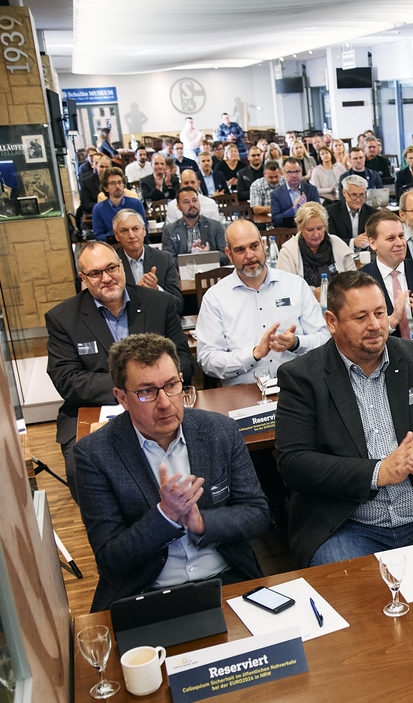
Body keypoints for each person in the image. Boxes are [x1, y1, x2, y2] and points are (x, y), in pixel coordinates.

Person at [274, 269, 413, 567]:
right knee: (353, 605)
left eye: (380, 313)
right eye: (361, 317)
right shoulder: (302, 376)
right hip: (347, 527)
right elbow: (294, 464)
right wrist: (377, 473)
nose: (375, 326)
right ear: (332, 322)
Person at [74, 333, 267, 612]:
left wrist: (202, 524)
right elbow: (110, 557)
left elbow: (257, 514)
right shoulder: (95, 454)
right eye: (147, 392)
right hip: (147, 592)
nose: (165, 402)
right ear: (122, 398)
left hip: (228, 580)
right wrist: (166, 515)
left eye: (171, 386)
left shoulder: (220, 431)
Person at [45, 242, 194, 500]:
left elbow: (184, 360)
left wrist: (149, 390)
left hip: (160, 402)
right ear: (83, 279)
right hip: (93, 411)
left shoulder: (159, 304)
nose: (106, 278)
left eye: (111, 268)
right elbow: (67, 380)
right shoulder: (63, 318)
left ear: (122, 266)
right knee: (83, 475)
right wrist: (131, 391)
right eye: (95, 273)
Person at [197, 220, 329, 387]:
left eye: (254, 246)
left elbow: (324, 338)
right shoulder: (215, 298)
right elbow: (208, 360)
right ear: (229, 254)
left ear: (263, 245)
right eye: (240, 250)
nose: (250, 255)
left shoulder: (295, 285)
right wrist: (253, 354)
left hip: (297, 388)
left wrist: (296, 343)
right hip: (243, 394)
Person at [359, 210, 413, 351]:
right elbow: (360, 336)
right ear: (373, 243)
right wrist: (392, 321)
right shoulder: (362, 281)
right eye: (391, 238)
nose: (400, 243)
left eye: (401, 236)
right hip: (386, 355)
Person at [276, 202, 356, 297]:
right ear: (300, 228)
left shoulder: (338, 244)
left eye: (320, 228)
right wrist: (313, 293)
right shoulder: (288, 252)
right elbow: (285, 287)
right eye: (310, 230)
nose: (316, 234)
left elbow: (354, 279)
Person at [113, 209, 181, 296]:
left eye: (135, 229)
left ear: (144, 230)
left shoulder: (164, 259)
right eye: (124, 230)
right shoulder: (112, 263)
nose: (131, 235)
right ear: (116, 235)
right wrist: (136, 292)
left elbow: (177, 303)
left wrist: (156, 289)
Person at [161, 187, 228, 264]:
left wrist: (207, 255)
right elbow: (168, 261)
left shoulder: (215, 226)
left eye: (194, 200)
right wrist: (192, 257)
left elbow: (226, 255)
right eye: (186, 202)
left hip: (212, 272)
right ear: (178, 206)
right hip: (183, 274)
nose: (192, 204)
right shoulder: (169, 230)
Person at [91, 167, 145, 242]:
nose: (117, 186)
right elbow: (99, 237)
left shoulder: (136, 204)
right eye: (113, 183)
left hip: (134, 246)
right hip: (111, 249)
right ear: (106, 188)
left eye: (120, 182)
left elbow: (144, 231)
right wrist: (121, 233)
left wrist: (115, 234)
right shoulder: (98, 209)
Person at [269, 157, 321, 228]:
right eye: (289, 172)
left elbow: (320, 213)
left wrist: (306, 208)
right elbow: (275, 220)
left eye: (296, 171)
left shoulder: (311, 189)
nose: (293, 175)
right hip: (287, 231)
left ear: (301, 171)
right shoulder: (276, 194)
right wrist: (293, 209)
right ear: (283, 173)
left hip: (309, 229)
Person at [328, 175, 376, 250]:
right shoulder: (331, 212)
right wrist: (353, 242)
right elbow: (330, 241)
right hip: (340, 255)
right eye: (353, 195)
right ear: (344, 193)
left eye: (361, 195)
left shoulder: (373, 214)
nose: (358, 199)